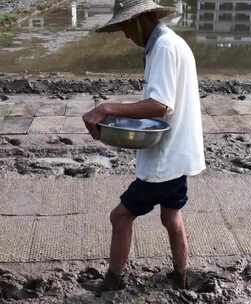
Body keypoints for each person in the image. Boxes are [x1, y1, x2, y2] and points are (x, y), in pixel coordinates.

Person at [82, 0, 205, 291]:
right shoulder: (170, 42)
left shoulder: (163, 47)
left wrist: (108, 108)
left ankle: (113, 282)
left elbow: (159, 105)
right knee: (171, 215)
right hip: (179, 153)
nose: (126, 34)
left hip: (165, 157)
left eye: (126, 26)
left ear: (141, 19)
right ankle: (181, 275)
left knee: (120, 216)